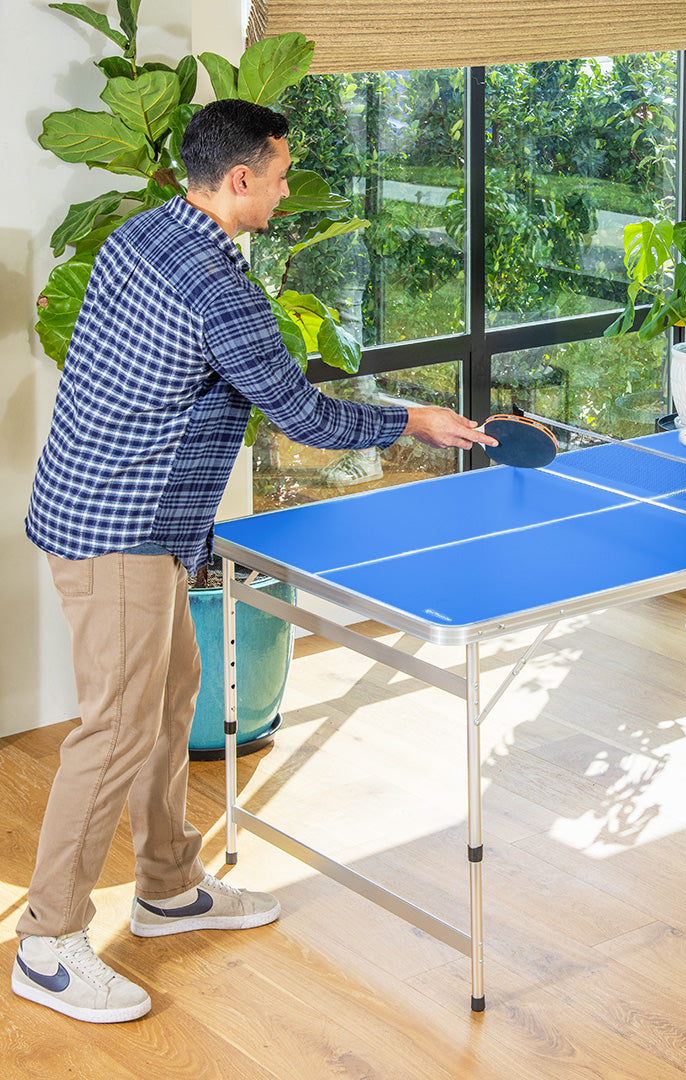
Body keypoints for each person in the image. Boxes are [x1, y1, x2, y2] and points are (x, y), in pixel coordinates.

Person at [14, 99, 496, 1024]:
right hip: (123, 526)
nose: (284, 189)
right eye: (278, 175)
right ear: (239, 179)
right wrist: (414, 419)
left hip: (114, 507)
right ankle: (48, 942)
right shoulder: (216, 285)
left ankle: (167, 886)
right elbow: (302, 415)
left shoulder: (146, 232)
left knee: (171, 698)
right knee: (115, 730)